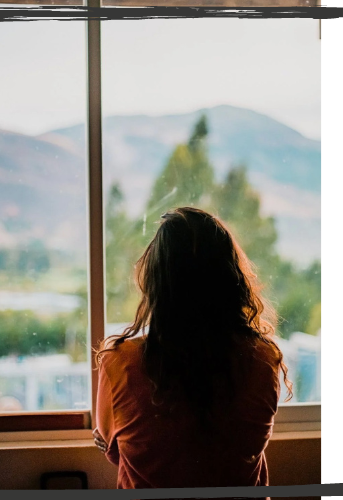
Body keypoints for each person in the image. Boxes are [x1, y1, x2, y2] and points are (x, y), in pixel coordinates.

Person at [93, 207, 292, 494]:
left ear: (156, 282)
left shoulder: (121, 363)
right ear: (230, 278)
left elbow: (117, 452)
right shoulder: (263, 359)